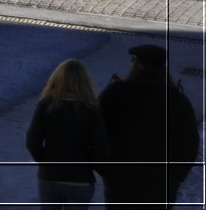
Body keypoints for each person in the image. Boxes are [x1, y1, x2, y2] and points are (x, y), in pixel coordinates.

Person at [99, 44, 200, 208]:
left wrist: (106, 169)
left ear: (138, 64)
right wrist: (176, 176)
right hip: (162, 184)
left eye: (133, 61)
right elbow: (190, 143)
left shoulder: (116, 92)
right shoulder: (177, 100)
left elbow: (95, 129)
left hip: (121, 181)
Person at [24, 59, 110, 209]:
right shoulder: (92, 109)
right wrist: (90, 166)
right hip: (80, 179)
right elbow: (102, 150)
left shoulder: (47, 104)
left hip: (50, 177)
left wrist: (46, 162)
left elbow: (32, 141)